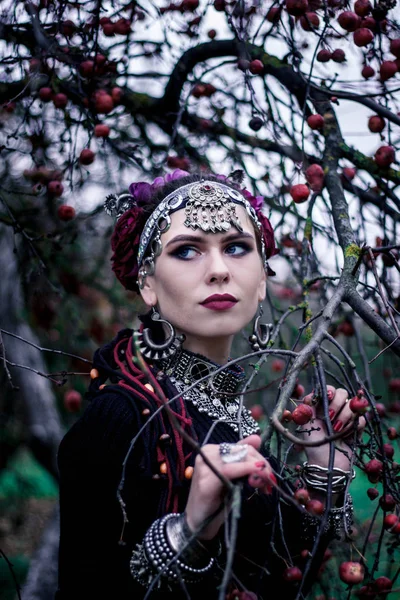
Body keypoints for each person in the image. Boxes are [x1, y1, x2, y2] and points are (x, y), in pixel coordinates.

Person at [55, 169, 364, 600]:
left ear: (261, 282)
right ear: (147, 283)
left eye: (237, 248)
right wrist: (188, 534)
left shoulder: (232, 412)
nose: (219, 270)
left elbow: (277, 584)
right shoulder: (122, 418)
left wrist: (325, 472)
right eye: (187, 251)